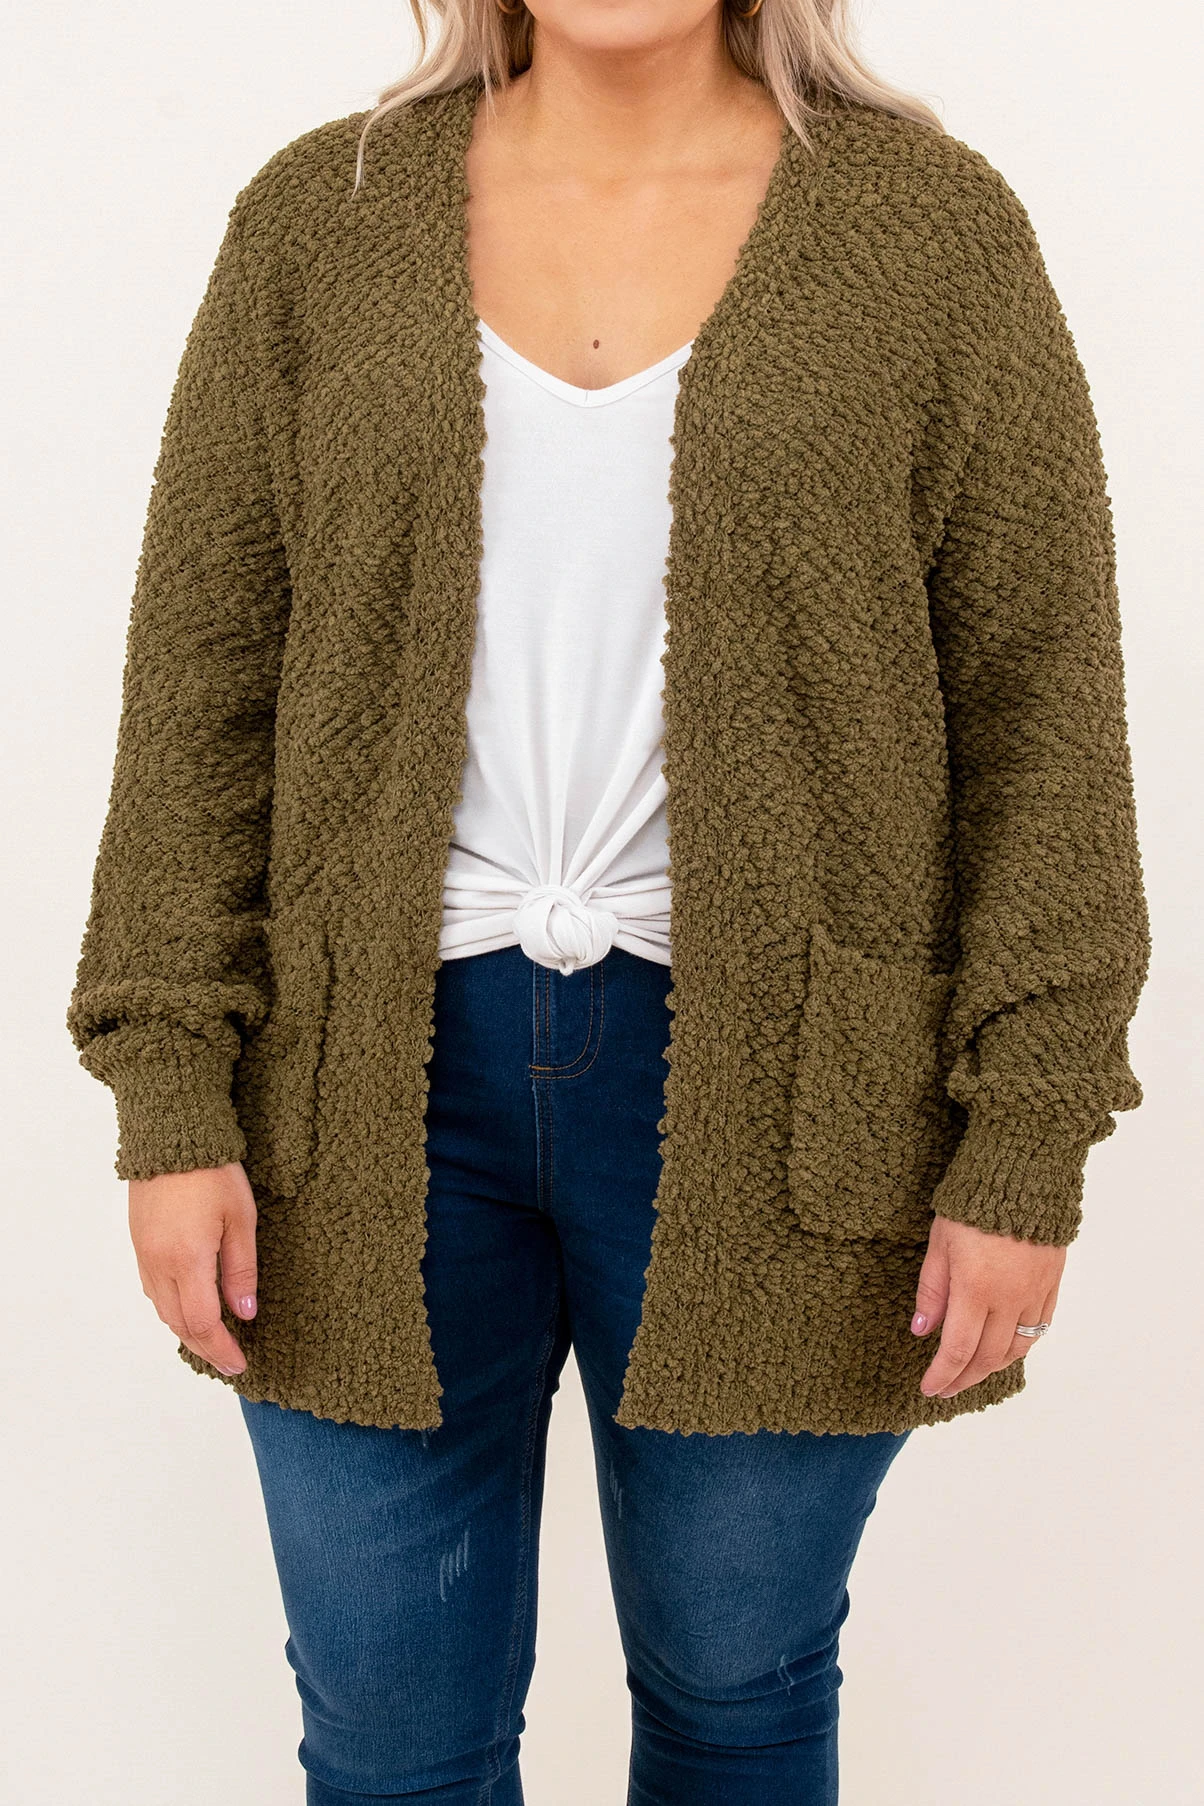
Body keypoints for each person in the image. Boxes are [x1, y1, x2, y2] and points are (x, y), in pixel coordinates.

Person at [66, 1, 1150, 1800]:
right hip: (366, 1089)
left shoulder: (931, 234)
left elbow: (1044, 709)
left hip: (783, 1100)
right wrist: (169, 1091)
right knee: (390, 1736)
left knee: (737, 1694)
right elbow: (201, 687)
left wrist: (1027, 1132)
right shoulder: (320, 223)